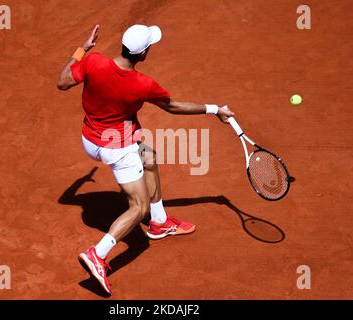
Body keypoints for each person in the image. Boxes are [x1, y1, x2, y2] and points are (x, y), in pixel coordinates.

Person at [57, 24, 234, 294]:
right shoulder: (143, 84)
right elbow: (173, 107)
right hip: (116, 147)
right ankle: (98, 254)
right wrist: (214, 110)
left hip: (89, 140)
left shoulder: (93, 62)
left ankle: (159, 222)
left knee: (148, 155)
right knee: (138, 207)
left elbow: (62, 82)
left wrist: (83, 48)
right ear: (143, 54)